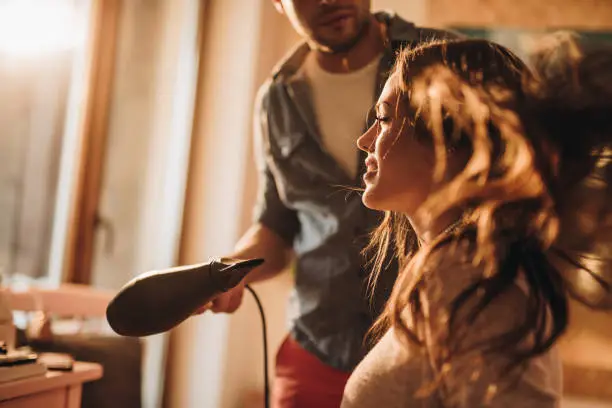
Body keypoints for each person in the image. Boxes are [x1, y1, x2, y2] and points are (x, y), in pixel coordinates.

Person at [203, 1, 458, 407]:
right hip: (315, 350)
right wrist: (228, 271)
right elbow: (276, 224)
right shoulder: (276, 100)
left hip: (426, 350)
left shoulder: (446, 60)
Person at [342, 36, 612, 407]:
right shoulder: (449, 271)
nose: (364, 140)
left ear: (448, 139)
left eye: (385, 118)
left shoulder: (476, 280)